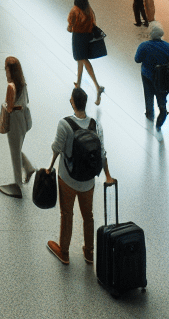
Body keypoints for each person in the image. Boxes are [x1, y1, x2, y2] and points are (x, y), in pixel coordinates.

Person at [45, 86, 115, 265]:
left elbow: (56, 149)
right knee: (88, 215)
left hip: (68, 178)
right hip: (88, 181)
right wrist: (107, 175)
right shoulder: (95, 125)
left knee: (67, 214)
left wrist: (49, 168)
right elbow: (102, 153)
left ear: (73, 102)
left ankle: (64, 252)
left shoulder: (65, 124)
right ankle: (89, 253)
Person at [0, 57, 34, 198]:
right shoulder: (23, 83)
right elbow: (27, 101)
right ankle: (29, 167)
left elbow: (9, 108)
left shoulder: (11, 86)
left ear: (9, 70)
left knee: (14, 152)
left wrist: (5, 105)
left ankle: (18, 184)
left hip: (14, 122)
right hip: (25, 120)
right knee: (17, 147)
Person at [134, 22, 169, 137]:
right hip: (163, 77)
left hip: (147, 75)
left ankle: (149, 114)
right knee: (161, 96)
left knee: (148, 95)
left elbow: (137, 60)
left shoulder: (143, 46)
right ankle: (162, 111)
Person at [67, 0, 104, 105]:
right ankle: (78, 83)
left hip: (78, 37)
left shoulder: (75, 10)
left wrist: (70, 28)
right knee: (80, 60)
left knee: (82, 59)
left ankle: (97, 86)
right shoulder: (89, 10)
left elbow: (70, 26)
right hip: (87, 37)